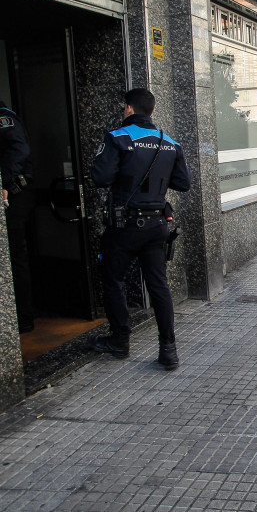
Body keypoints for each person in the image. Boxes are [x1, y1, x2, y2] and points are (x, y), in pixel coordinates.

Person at [89, 88, 191, 370]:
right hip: (157, 224)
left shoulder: (118, 138)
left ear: (129, 109)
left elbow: (100, 177)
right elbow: (183, 183)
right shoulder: (170, 142)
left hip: (125, 226)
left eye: (124, 108)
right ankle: (168, 350)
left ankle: (120, 341)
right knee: (159, 285)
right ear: (152, 111)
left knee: (113, 280)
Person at [0, 100, 36, 333]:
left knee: (15, 257)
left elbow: (18, 151)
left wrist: (4, 183)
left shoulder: (4, 119)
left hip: (14, 195)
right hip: (13, 194)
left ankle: (23, 319)